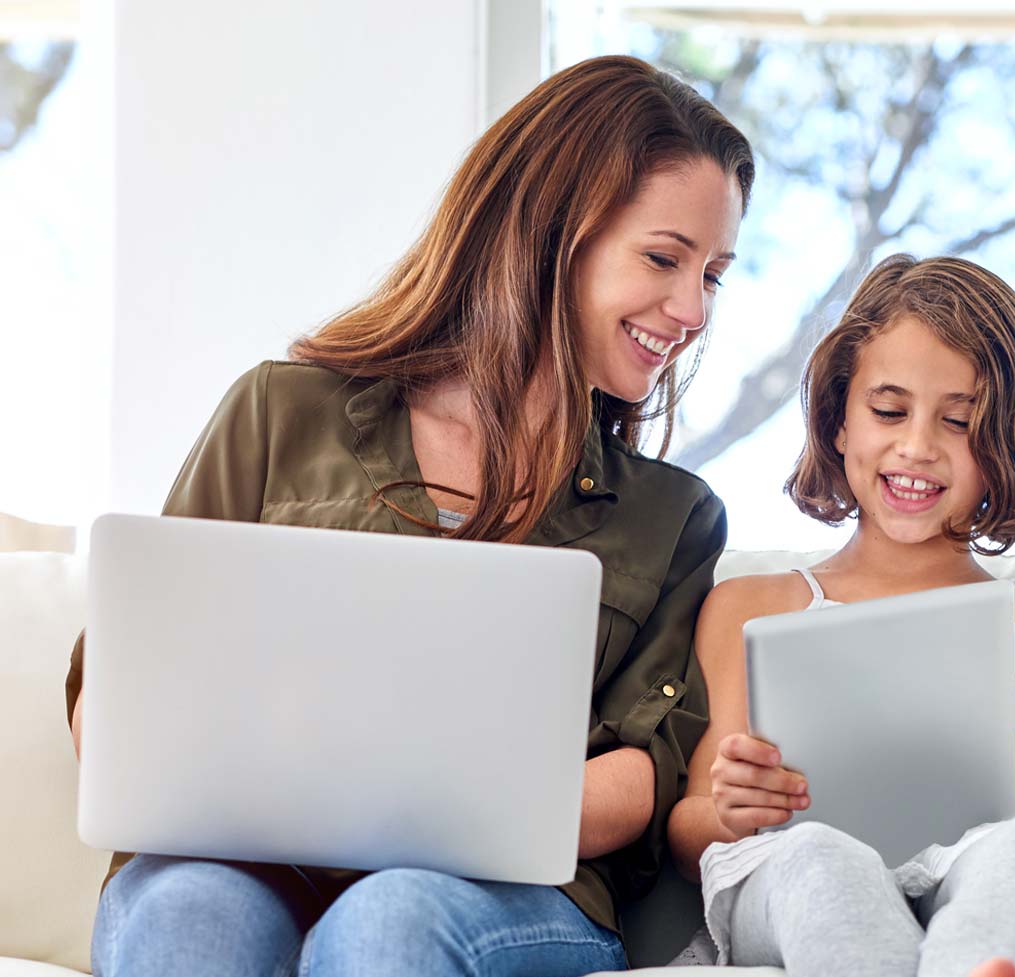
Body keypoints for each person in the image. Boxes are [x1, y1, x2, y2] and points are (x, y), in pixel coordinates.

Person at [66, 54, 754, 977]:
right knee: (190, 914)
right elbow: (118, 690)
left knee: (388, 921)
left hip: (503, 897)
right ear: (552, 232)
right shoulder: (280, 412)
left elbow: (646, 773)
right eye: (665, 258)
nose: (693, 308)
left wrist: (428, 808)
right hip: (239, 862)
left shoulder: (673, 518)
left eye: (714, 273)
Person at [666, 254, 1015, 977]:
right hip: (809, 872)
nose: (917, 445)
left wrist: (976, 739)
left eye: (959, 420)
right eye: (889, 410)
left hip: (989, 867)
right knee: (818, 855)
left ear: (1004, 445)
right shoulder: (753, 606)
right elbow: (693, 827)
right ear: (839, 422)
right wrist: (733, 808)